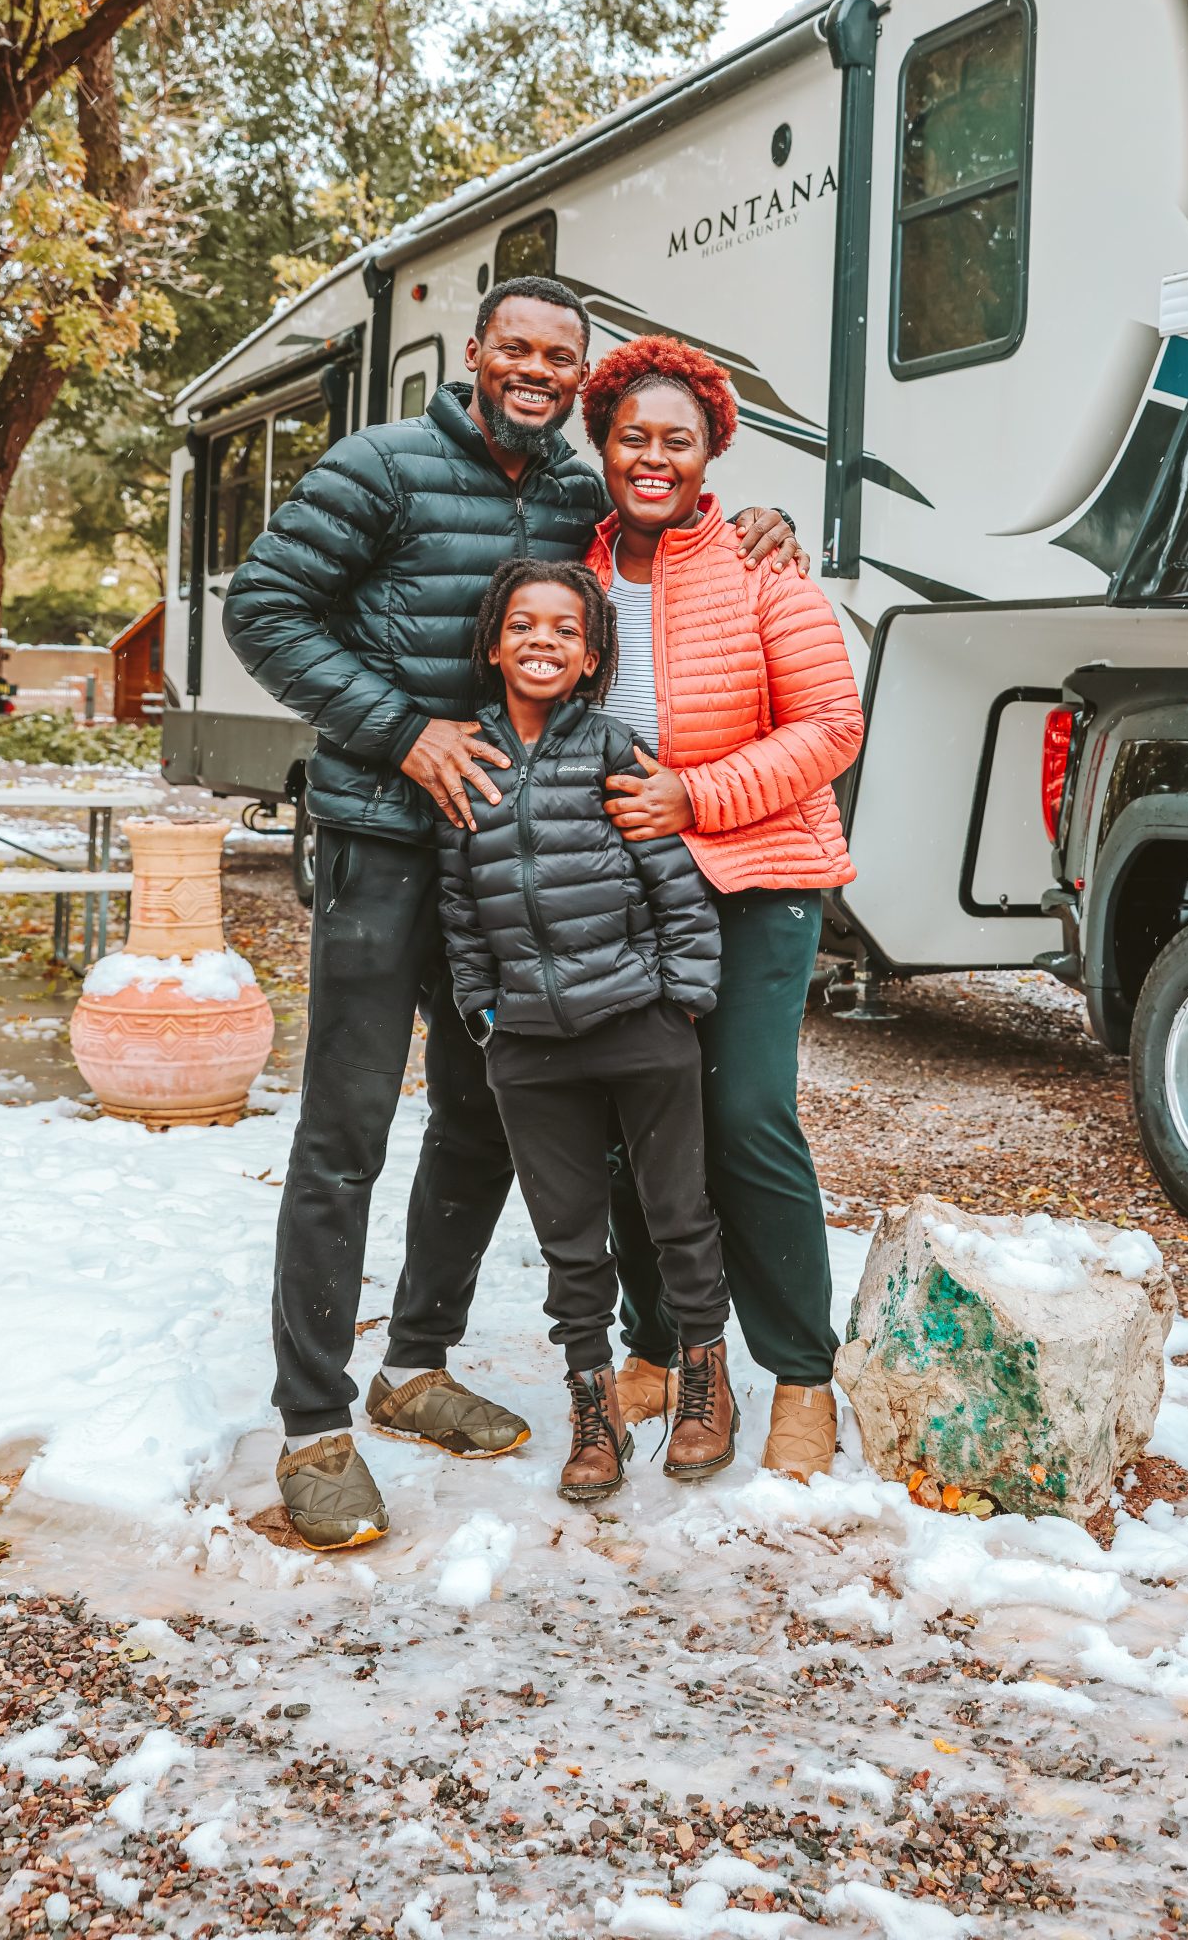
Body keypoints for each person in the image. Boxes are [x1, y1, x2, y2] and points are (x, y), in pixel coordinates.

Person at [222, 274, 800, 1551]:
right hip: (385, 840)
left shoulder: (579, 491)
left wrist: (755, 523)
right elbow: (260, 608)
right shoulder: (376, 467)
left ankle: (413, 1364)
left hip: (513, 864)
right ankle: (314, 1422)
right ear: (476, 350)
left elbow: (667, 535)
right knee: (345, 1131)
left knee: (485, 1115)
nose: (536, 369)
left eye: (560, 356)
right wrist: (402, 731)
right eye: (516, 347)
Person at [580, 336, 865, 1479]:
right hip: (618, 888)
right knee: (631, 1123)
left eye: (676, 439)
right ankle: (655, 1344)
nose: (653, 456)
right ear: (602, 445)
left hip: (757, 879)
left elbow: (830, 729)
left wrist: (694, 796)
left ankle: (801, 1370)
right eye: (632, 436)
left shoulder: (763, 567)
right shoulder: (576, 566)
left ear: (711, 455)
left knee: (744, 1115)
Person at [436, 559, 736, 1504]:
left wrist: (682, 1000)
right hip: (527, 1042)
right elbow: (457, 904)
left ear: (593, 655)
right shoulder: (468, 764)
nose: (543, 642)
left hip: (639, 1022)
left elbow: (673, 883)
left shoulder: (612, 748)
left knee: (677, 1214)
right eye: (523, 625)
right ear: (493, 644)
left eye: (566, 630)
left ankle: (703, 1383)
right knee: (571, 1240)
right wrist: (484, 1010)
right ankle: (593, 1407)